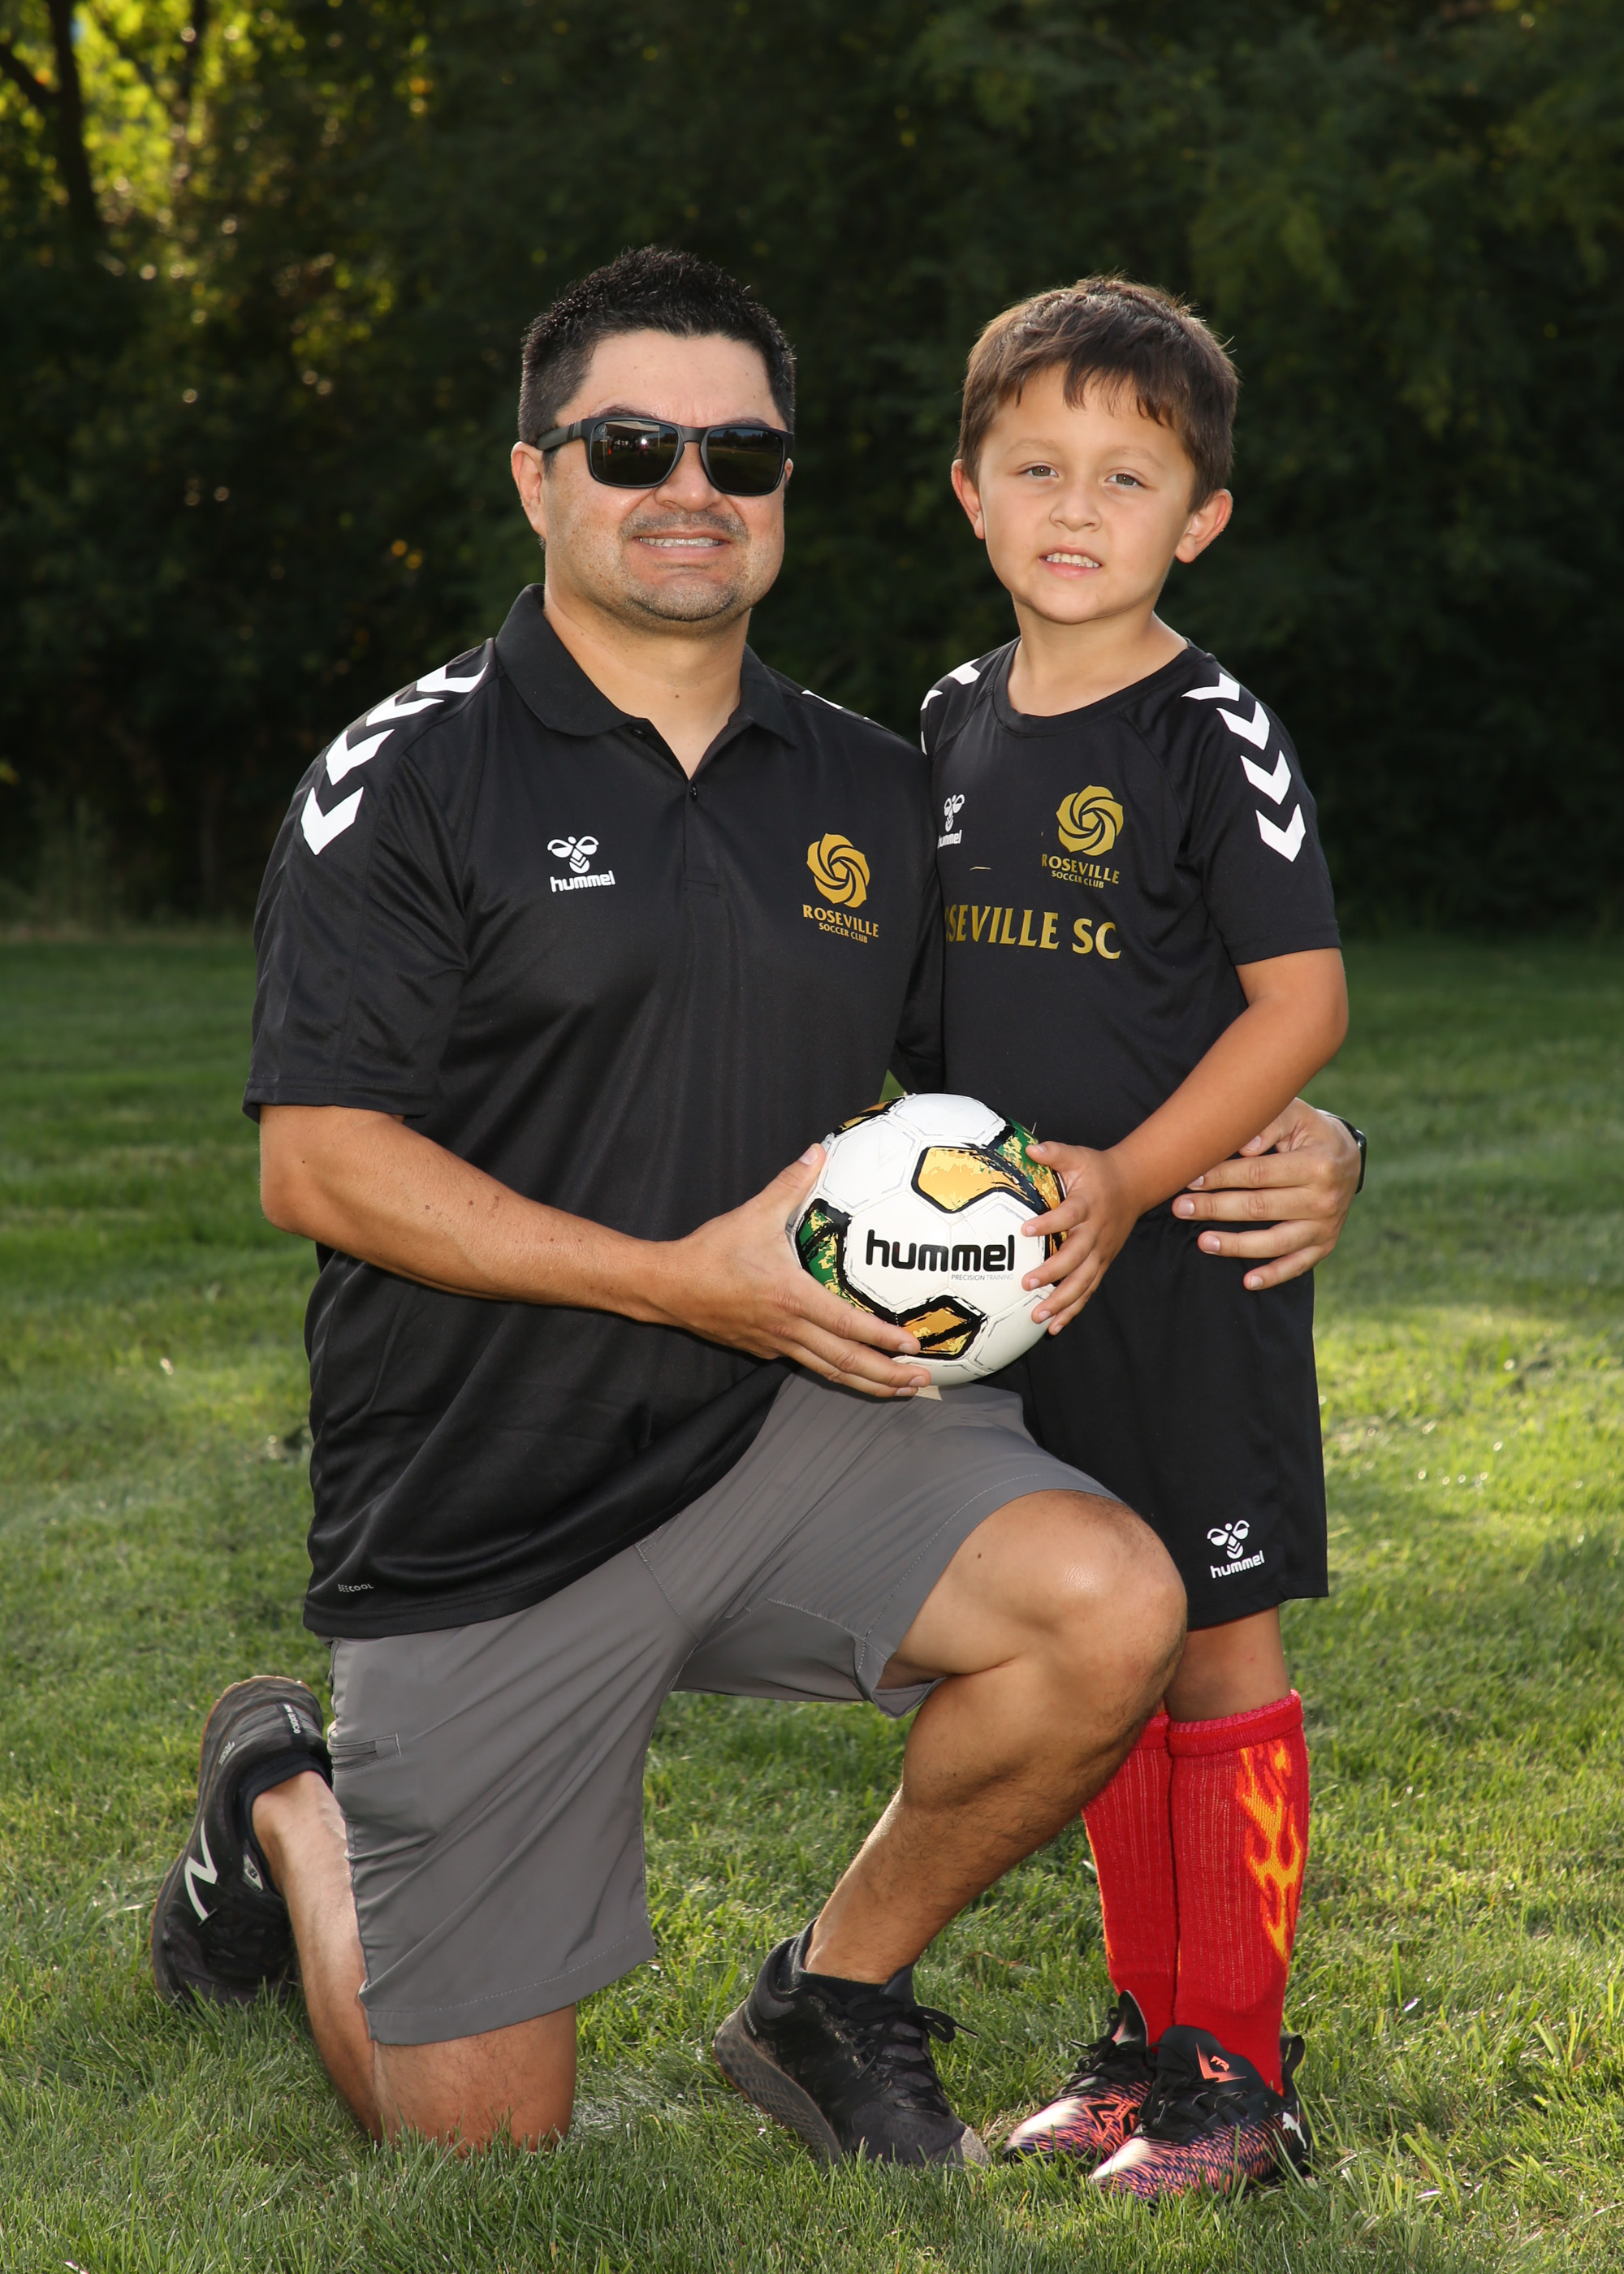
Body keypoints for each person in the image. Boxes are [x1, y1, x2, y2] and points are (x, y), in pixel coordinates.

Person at [149, 247, 1189, 2164]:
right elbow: (319, 1156)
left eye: (741, 452)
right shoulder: (413, 774)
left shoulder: (876, 783)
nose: (689, 485)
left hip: (787, 1420)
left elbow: (1045, 1052)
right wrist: (677, 1278)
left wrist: (1302, 1126)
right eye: (631, 445)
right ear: (535, 475)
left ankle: (829, 1992)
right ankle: (279, 1798)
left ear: (784, 484)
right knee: (477, 2145)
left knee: (1109, 1600)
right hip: (489, 1492)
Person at [922, 276, 1359, 2198]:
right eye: (1037, 466)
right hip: (1027, 1274)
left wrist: (1130, 1173)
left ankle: (1237, 2074)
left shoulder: (1209, 728)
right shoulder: (946, 720)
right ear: (969, 492)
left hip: (1185, 1262)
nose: (1076, 506)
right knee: (1110, 1640)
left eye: (1128, 474)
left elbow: (1299, 1003)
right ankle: (1138, 2047)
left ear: (1202, 518)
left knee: (1217, 1638)